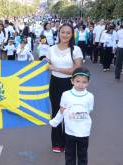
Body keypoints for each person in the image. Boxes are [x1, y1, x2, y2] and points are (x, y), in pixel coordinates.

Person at [47, 23, 83, 153]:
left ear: (72, 35)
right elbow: (45, 65)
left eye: (68, 33)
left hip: (70, 84)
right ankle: (57, 143)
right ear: (59, 33)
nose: (65, 35)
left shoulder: (76, 49)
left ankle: (69, 143)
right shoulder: (51, 49)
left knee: (69, 113)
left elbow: (76, 70)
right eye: (63, 32)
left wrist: (56, 68)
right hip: (55, 83)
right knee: (57, 112)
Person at [49, 67, 94, 165]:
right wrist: (55, 122)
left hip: (84, 132)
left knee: (82, 155)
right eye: (77, 81)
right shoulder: (66, 95)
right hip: (69, 131)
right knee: (69, 155)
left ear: (88, 83)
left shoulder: (90, 96)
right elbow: (62, 110)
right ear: (72, 81)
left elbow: (89, 110)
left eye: (84, 82)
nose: (80, 84)